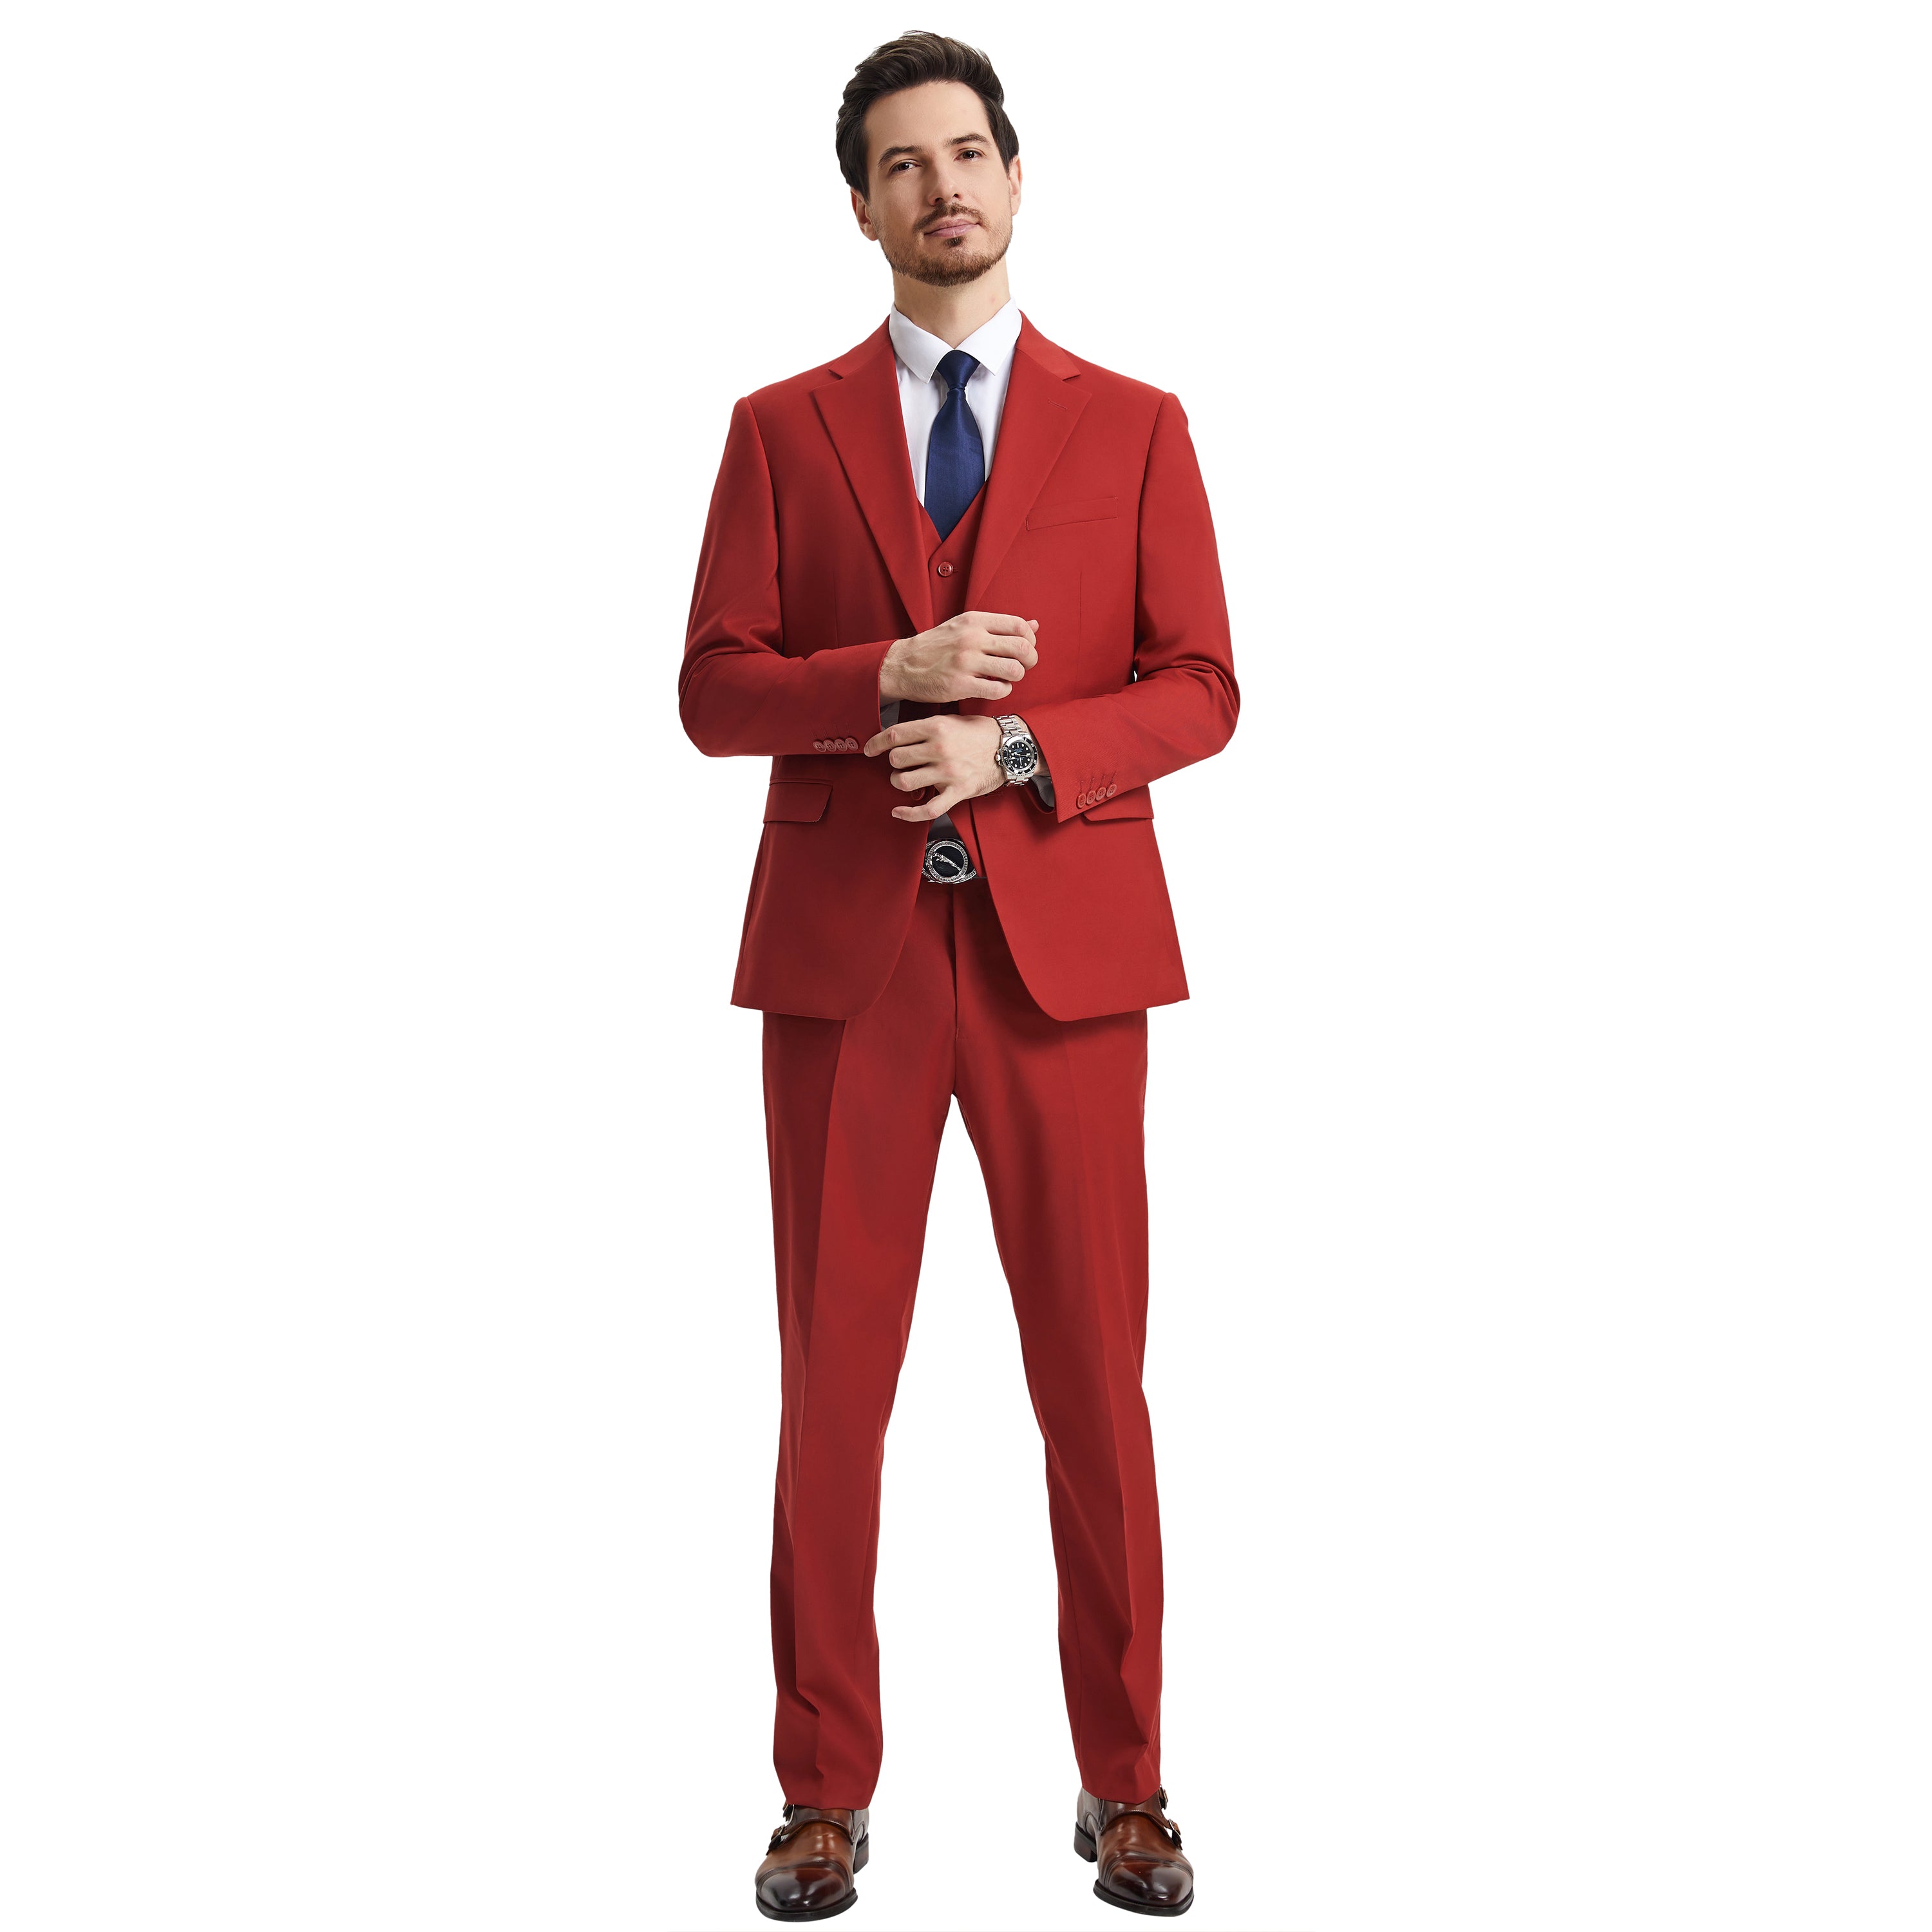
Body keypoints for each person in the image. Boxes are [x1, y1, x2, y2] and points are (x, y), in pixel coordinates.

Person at [679, 30, 1238, 1922]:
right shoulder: (778, 428)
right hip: (848, 968)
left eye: (969, 153)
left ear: (1016, 174)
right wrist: (884, 682)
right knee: (832, 1386)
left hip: (1061, 960)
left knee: (1094, 1381)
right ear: (861, 206)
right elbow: (714, 691)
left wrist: (1015, 748)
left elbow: (1202, 688)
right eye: (904, 164)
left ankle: (1129, 1779)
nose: (944, 187)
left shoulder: (1137, 424)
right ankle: (820, 1791)